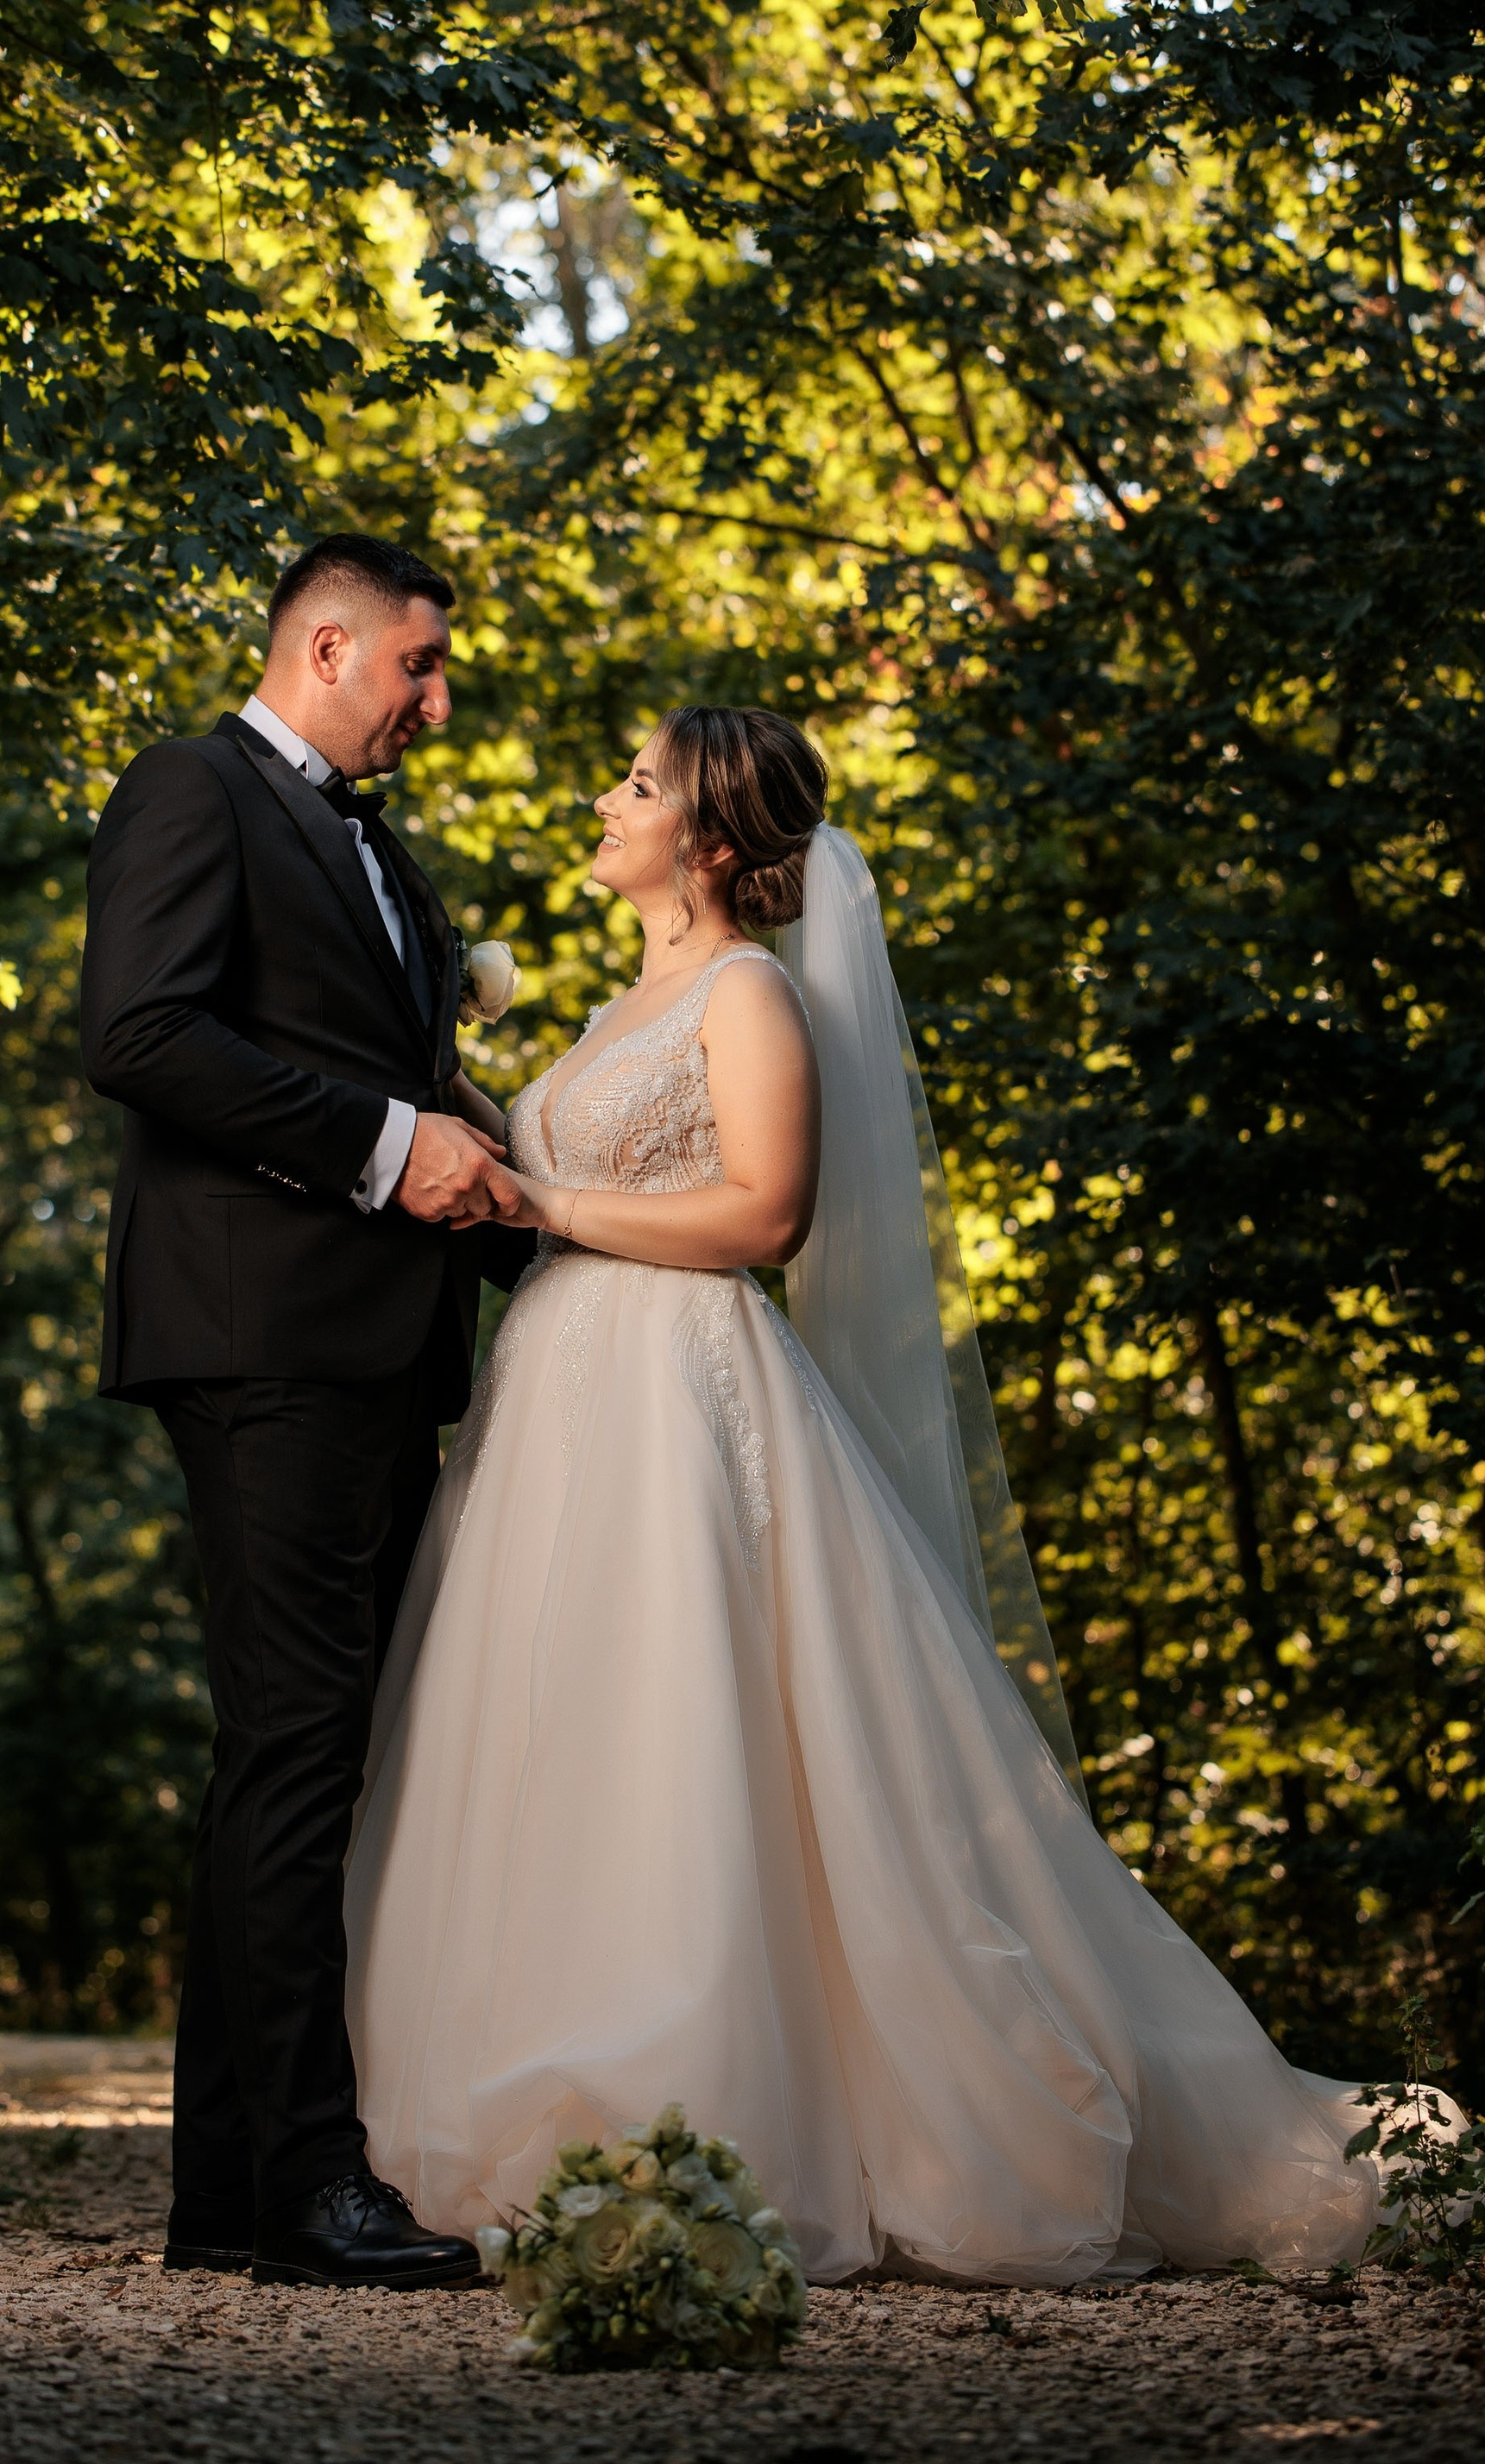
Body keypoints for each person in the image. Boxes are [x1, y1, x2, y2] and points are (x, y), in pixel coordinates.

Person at [347, 706, 1406, 2285]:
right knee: (558, 1724)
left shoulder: (749, 991)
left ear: (710, 839)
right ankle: (540, 2106)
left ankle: (720, 2118)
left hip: (677, 1398)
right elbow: (592, 1179)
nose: (605, 800)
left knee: (689, 1724)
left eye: (636, 784)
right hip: (556, 1394)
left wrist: (542, 1192)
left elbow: (763, 1215)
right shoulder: (623, 1002)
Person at [79, 534, 526, 2290]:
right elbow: (140, 1034)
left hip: (375, 1343)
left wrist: (537, 1193)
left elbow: (394, 1075)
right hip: (260, 1333)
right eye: (419, 665)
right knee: (297, 1747)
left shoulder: (375, 846)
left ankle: (227, 2193)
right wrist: (390, 1145)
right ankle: (306, 2189)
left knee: (300, 1750)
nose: (437, 701)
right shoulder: (190, 789)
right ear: (326, 648)